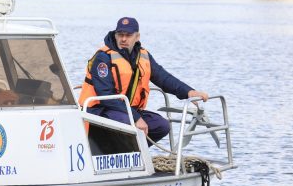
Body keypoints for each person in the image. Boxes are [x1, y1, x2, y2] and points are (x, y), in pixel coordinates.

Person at [79, 16, 208, 142]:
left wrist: (189, 92)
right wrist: (135, 118)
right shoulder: (103, 58)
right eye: (120, 34)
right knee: (128, 122)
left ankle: (132, 153)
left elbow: (163, 78)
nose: (123, 39)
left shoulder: (143, 55)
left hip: (126, 110)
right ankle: (120, 153)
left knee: (161, 125)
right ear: (115, 35)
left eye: (128, 35)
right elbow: (106, 94)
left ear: (137, 37)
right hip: (98, 110)